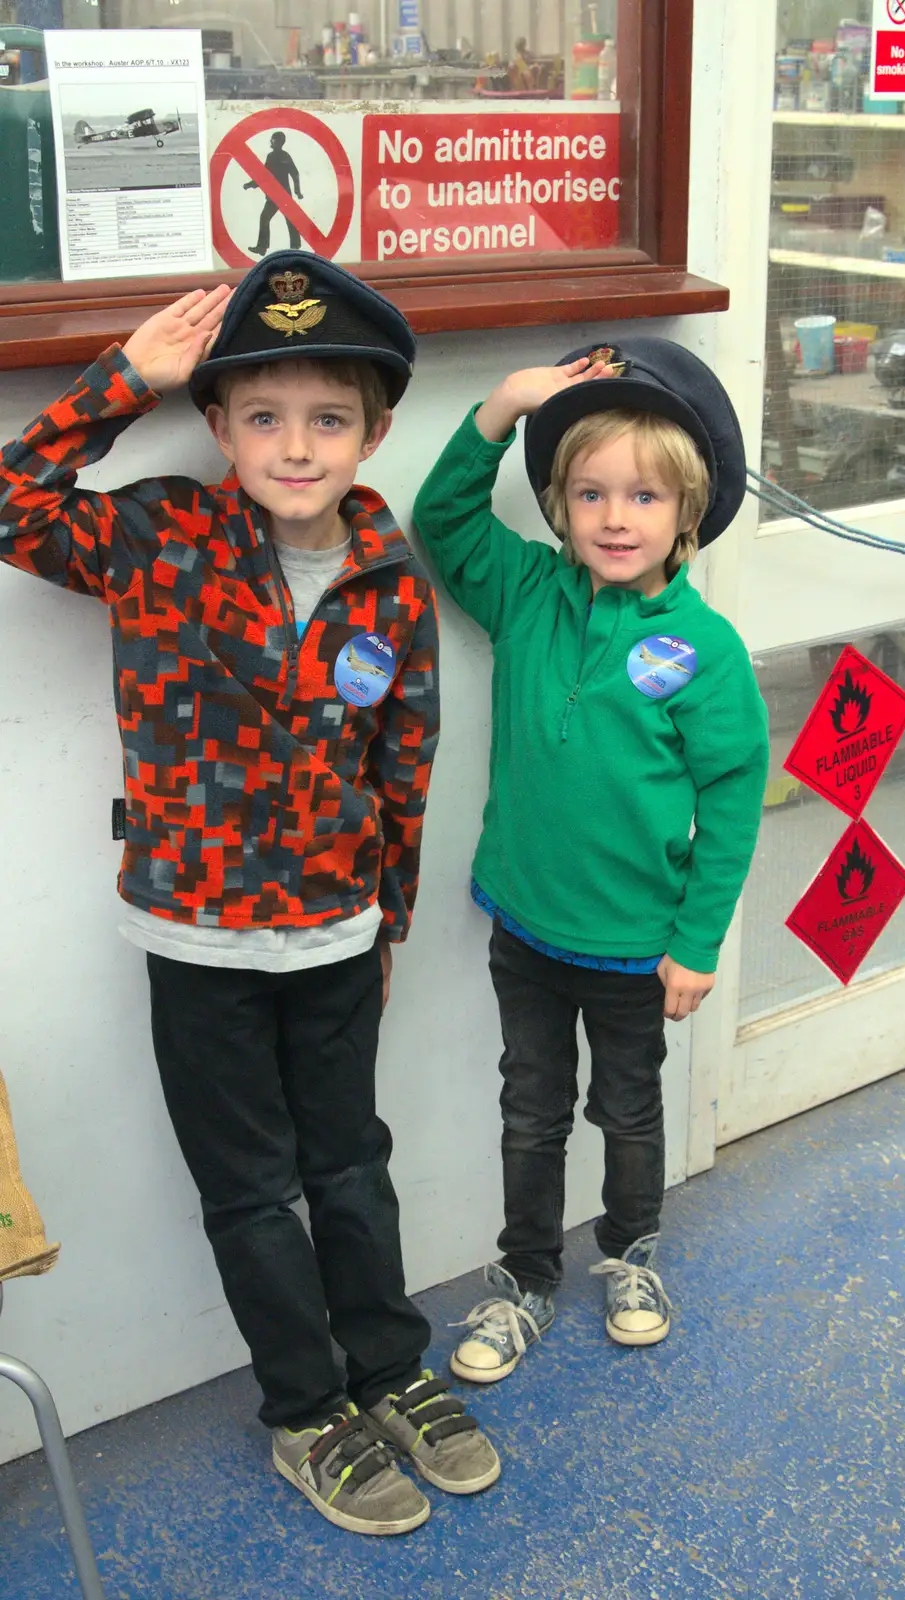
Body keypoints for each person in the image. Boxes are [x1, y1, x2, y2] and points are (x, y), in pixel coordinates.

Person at [0, 252, 499, 1534]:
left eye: (328, 417)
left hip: (336, 933)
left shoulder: (392, 579)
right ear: (217, 424)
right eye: (262, 416)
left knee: (351, 1166)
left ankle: (390, 1368)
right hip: (196, 937)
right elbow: (8, 500)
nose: (296, 445)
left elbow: (409, 772)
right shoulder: (156, 535)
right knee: (252, 1190)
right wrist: (123, 380)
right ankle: (305, 1407)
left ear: (373, 430)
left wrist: (385, 928)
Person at [412, 337, 769, 1383]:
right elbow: (440, 521)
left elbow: (734, 801)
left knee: (627, 1108)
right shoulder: (524, 590)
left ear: (686, 515)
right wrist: (500, 408)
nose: (617, 518)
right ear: (560, 504)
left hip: (633, 947)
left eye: (646, 497)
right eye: (592, 492)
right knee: (531, 1106)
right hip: (526, 925)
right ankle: (525, 1275)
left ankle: (631, 1252)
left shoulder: (704, 652)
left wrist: (695, 944)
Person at [246, 131, 303, 255]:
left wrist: (297, 190)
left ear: (278, 142)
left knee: (290, 220)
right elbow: (264, 175)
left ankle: (295, 247)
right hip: (275, 196)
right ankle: (265, 247)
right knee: (267, 218)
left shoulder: (281, 156)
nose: (271, 142)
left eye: (273, 140)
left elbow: (294, 173)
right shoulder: (272, 156)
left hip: (282, 196)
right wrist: (251, 184)